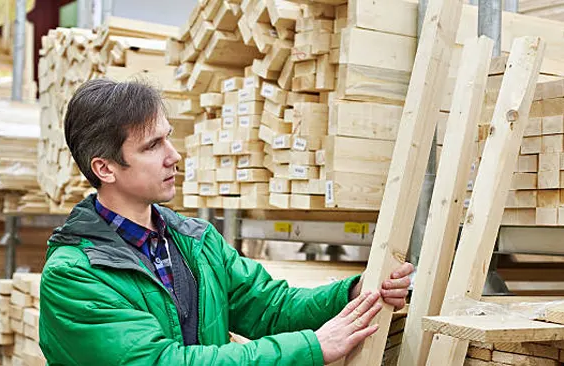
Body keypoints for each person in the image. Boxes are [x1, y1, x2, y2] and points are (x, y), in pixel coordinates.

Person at [38, 79, 414, 365]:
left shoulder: (194, 242)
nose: (174, 156)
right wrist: (312, 347)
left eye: (168, 138)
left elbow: (271, 307)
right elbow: (161, 361)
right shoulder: (74, 276)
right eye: (152, 146)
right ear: (104, 168)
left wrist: (353, 292)